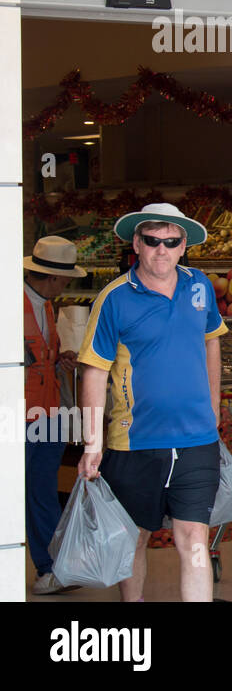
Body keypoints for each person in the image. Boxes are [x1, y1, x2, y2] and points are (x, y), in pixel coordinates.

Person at [76, 203, 227, 602]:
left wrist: (213, 406)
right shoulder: (114, 298)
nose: (161, 250)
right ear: (136, 245)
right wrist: (93, 442)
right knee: (134, 538)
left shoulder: (201, 286)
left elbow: (212, 340)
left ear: (183, 247)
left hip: (196, 439)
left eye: (171, 242)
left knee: (194, 538)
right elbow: (93, 370)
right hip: (135, 440)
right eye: (152, 241)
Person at [23, 236, 85, 595]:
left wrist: (58, 358)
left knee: (42, 492)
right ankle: (48, 567)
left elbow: (42, 353)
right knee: (30, 492)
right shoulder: (12, 303)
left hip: (47, 414)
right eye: (65, 280)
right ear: (52, 277)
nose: (67, 285)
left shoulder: (46, 305)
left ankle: (50, 569)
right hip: (20, 416)